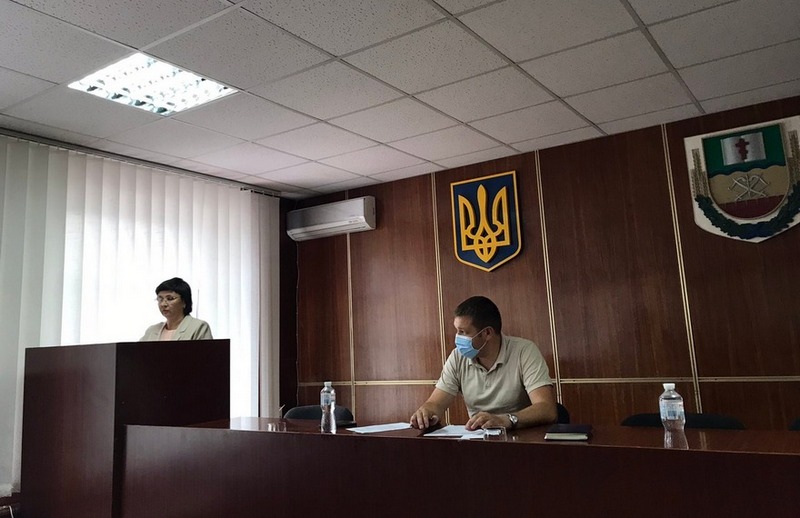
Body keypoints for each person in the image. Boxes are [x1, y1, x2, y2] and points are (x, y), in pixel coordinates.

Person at [410, 295, 556, 431]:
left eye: (463, 332)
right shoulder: (458, 357)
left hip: (521, 437)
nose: (457, 338)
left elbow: (546, 408)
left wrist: (506, 420)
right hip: (479, 438)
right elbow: (436, 403)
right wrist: (426, 411)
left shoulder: (524, 351)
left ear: (487, 333)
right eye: (457, 331)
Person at [140, 277, 213, 341]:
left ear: (184, 302)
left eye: (170, 298)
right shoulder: (152, 331)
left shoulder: (198, 327)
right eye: (160, 299)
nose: (163, 304)